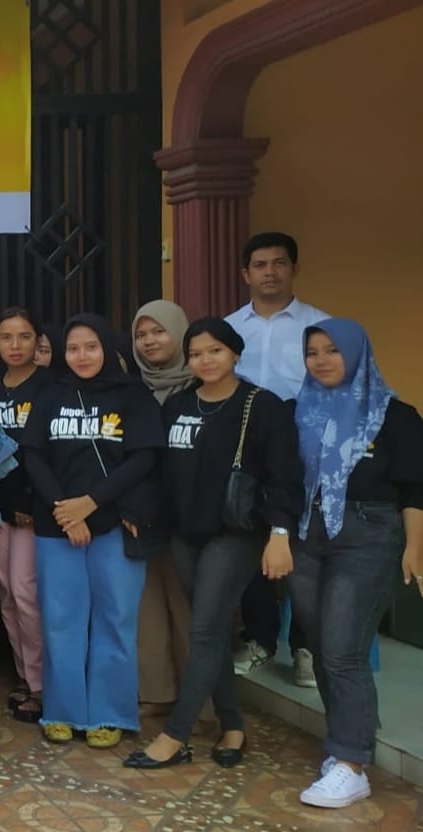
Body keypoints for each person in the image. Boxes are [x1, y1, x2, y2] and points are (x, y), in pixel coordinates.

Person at [125, 318, 302, 771]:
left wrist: (280, 534)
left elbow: (285, 478)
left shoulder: (263, 407)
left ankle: (175, 735)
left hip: (236, 534)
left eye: (215, 351)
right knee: (212, 630)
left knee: (203, 630)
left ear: (235, 353)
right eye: (197, 353)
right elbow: (161, 471)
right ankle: (233, 724)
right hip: (185, 533)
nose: (205, 360)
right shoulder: (180, 404)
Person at [288, 319, 423, 809]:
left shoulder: (395, 414)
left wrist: (415, 545)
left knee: (344, 646)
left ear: (358, 354)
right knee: (322, 644)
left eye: (332, 351)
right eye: (313, 352)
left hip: (368, 534)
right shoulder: (296, 410)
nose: (321, 360)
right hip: (307, 533)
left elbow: (414, 486)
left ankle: (351, 764)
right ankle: (349, 735)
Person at [21, 314, 165, 749]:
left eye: (91, 347)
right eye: (73, 348)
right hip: (57, 526)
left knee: (115, 619)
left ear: (108, 348)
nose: (81, 356)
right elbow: (33, 456)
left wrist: (91, 504)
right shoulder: (50, 394)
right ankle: (62, 712)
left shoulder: (133, 395)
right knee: (61, 621)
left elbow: (143, 460)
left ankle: (109, 713)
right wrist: (66, 512)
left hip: (114, 523)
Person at [226, 232, 329, 684]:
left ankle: (305, 647)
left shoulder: (319, 327)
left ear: (294, 268)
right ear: (245, 273)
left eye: (279, 263)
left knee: (305, 546)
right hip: (247, 447)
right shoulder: (230, 329)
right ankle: (261, 639)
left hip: (306, 445)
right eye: (260, 265)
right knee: (250, 539)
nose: (270, 272)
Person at [130, 300, 195, 718]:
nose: (150, 341)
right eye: (141, 334)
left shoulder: (202, 385)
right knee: (147, 605)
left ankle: (199, 699)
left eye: (159, 331)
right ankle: (155, 692)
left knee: (190, 608)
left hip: (191, 517)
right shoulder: (130, 388)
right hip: (140, 513)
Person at [0, 308, 49, 723]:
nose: (15, 345)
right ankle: (24, 676)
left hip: (29, 509)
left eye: (24, 337)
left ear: (37, 342)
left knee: (27, 592)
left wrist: (31, 500)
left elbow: (43, 452)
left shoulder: (49, 388)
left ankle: (43, 683)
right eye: (6, 337)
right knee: (7, 592)